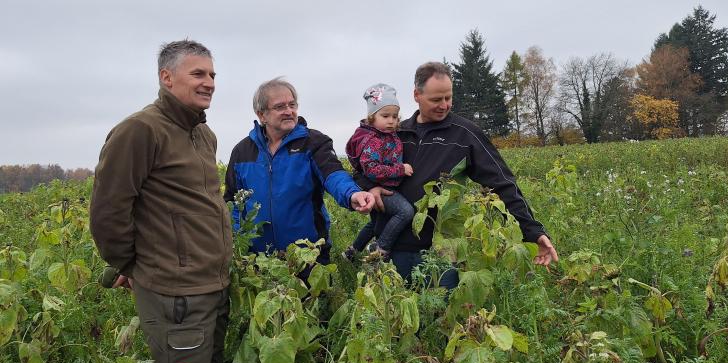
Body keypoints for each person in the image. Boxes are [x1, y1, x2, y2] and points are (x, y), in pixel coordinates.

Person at [89, 40, 231, 363]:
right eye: (198, 74)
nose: (209, 83)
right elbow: (109, 211)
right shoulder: (140, 130)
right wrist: (130, 266)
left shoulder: (203, 134)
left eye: (212, 75)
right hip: (175, 291)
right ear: (166, 78)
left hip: (211, 285)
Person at [353, 62, 559, 287]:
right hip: (392, 250)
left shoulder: (465, 135)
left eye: (448, 98)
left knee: (442, 317)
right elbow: (360, 169)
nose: (444, 105)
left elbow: (502, 185)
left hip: (441, 253)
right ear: (416, 95)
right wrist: (369, 187)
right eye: (436, 99)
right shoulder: (393, 132)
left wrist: (533, 232)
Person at [224, 78, 374, 268]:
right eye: (279, 107)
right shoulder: (242, 151)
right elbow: (232, 202)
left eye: (292, 104)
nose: (289, 111)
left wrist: (352, 193)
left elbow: (333, 174)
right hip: (258, 261)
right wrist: (238, 243)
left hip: (309, 256)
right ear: (262, 115)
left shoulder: (313, 142)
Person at [342, 83, 415, 261]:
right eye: (385, 116)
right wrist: (400, 169)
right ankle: (380, 248)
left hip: (377, 185)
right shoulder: (373, 140)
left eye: (395, 116)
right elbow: (372, 169)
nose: (391, 120)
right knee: (405, 212)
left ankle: (351, 252)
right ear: (371, 117)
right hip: (376, 184)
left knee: (376, 223)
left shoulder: (387, 135)